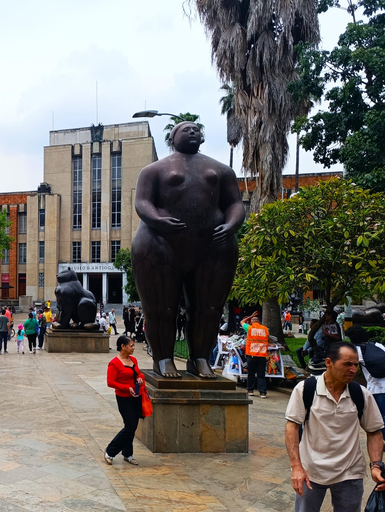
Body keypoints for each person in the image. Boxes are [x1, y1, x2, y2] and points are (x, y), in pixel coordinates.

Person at [131, 121, 245, 378]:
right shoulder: (153, 170)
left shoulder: (221, 170)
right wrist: (158, 220)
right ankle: (164, 359)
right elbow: (142, 202)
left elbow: (235, 205)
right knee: (162, 308)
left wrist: (231, 225)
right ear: (173, 137)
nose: (192, 131)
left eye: (196, 129)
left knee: (209, 308)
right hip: (159, 243)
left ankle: (200, 357)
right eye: (185, 129)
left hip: (213, 244)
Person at [285, 342, 385, 511]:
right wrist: (296, 467)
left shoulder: (360, 394)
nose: (353, 370)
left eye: (355, 365)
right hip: (311, 471)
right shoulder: (306, 389)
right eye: (347, 364)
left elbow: (374, 431)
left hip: (350, 473)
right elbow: (292, 427)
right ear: (329, 362)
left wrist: (376, 465)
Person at [104, 335, 144, 466]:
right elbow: (110, 382)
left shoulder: (133, 360)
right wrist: (126, 388)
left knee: (132, 427)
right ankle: (110, 451)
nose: (133, 348)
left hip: (137, 397)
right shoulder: (114, 363)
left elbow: (138, 373)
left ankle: (128, 454)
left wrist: (139, 378)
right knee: (130, 426)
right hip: (124, 398)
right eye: (131, 345)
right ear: (123, 346)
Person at [241, 312, 268, 399]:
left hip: (251, 355)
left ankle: (250, 390)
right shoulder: (265, 329)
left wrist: (250, 316)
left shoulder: (249, 328)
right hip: (262, 355)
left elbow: (242, 322)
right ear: (259, 322)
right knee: (261, 374)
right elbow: (269, 337)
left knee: (251, 373)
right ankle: (262, 392)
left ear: (251, 322)